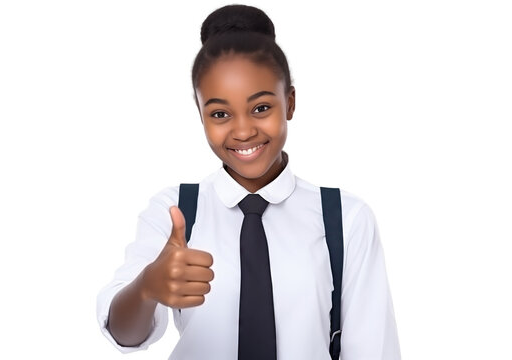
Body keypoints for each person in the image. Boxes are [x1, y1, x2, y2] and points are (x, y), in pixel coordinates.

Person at [96, 4, 401, 359]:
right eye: (220, 114)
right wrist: (147, 286)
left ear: (289, 103)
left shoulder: (346, 218)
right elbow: (124, 334)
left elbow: (373, 350)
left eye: (260, 108)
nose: (242, 131)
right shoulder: (174, 210)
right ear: (201, 115)